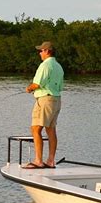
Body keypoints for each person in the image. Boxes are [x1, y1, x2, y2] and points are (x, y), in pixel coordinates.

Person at [23, 41, 64, 169]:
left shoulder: (45, 65)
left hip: (45, 100)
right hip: (56, 99)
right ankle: (51, 161)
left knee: (36, 129)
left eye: (41, 51)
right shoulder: (58, 66)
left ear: (47, 51)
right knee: (51, 130)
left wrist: (29, 88)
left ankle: (38, 161)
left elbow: (37, 84)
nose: (40, 53)